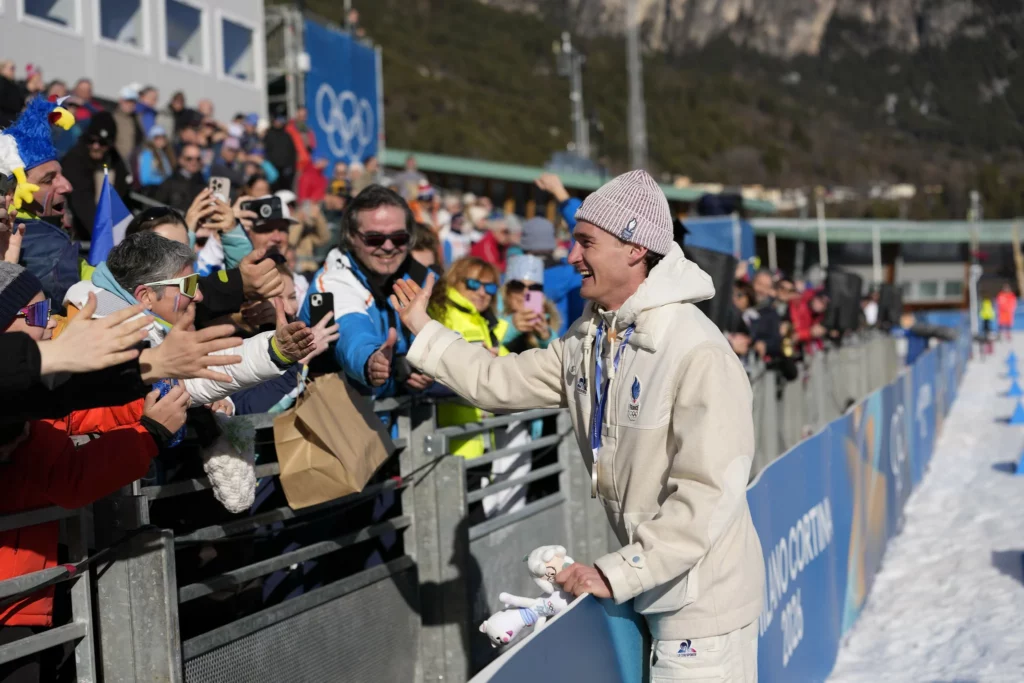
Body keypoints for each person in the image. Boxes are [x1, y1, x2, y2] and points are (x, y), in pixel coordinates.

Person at [392, 170, 764, 681]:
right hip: (653, 588)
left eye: (586, 242)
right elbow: (500, 381)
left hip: (705, 609)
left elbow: (710, 493)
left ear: (635, 248)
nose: (570, 257)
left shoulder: (697, 350)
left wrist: (619, 573)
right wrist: (424, 330)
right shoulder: (592, 336)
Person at [298, 185, 433, 398]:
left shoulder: (418, 274)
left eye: (399, 238)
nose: (388, 246)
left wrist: (430, 366)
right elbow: (352, 333)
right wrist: (371, 361)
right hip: (340, 412)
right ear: (351, 236)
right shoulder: (333, 283)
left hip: (393, 412)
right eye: (374, 238)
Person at [428, 256, 507, 458]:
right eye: (473, 284)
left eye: (490, 288)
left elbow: (510, 362)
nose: (482, 292)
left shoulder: (483, 320)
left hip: (481, 434)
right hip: (451, 439)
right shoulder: (441, 311)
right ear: (455, 280)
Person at [62, 112, 132, 239]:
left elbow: (121, 194)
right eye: (91, 140)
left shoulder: (114, 160)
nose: (96, 146)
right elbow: (82, 201)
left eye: (103, 143)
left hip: (105, 227)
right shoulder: (74, 160)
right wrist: (103, 236)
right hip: (79, 229)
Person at [501, 254, 559, 354]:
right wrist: (511, 327)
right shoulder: (490, 315)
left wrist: (546, 337)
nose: (526, 292)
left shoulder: (547, 321)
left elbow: (559, 355)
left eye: (534, 288)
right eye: (517, 286)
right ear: (507, 290)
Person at [153, 143, 207, 211]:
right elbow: (156, 207)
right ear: (181, 159)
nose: (194, 162)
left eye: (198, 159)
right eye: (189, 159)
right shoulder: (170, 183)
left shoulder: (203, 184)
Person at [112, 85, 142, 164]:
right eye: (128, 101)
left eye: (133, 102)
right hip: (115, 161)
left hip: (130, 163)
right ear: (121, 101)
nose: (130, 104)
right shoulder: (113, 118)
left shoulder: (136, 119)